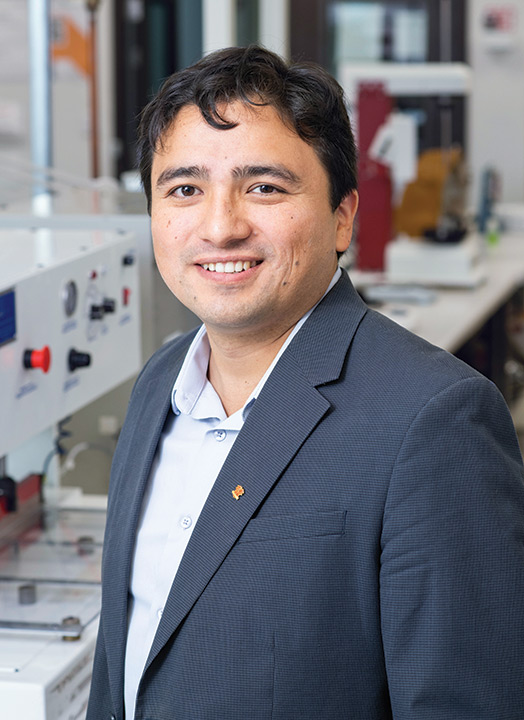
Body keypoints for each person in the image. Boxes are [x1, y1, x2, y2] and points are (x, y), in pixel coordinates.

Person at [87, 46, 524, 720]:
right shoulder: (159, 386)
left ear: (343, 216)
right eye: (184, 188)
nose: (220, 226)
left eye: (264, 186)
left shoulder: (435, 422)